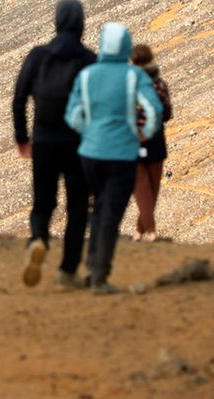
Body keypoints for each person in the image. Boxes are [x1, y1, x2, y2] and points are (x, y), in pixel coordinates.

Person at [64, 22, 163, 294]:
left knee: (96, 209)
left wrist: (90, 133)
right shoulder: (134, 76)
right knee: (111, 214)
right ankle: (99, 275)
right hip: (122, 154)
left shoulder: (88, 75)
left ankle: (90, 266)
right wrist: (142, 134)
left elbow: (73, 115)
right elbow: (153, 110)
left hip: (90, 154)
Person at [12, 0, 97, 289]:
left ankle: (38, 240)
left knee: (43, 202)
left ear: (57, 22)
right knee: (77, 209)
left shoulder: (38, 56)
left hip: (44, 141)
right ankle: (67, 273)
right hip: (78, 144)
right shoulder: (89, 60)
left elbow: (19, 98)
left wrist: (23, 139)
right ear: (81, 24)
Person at [129, 44, 172, 241]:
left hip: (134, 141)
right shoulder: (160, 84)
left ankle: (144, 231)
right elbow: (167, 114)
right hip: (156, 140)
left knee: (141, 188)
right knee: (153, 188)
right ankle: (146, 231)